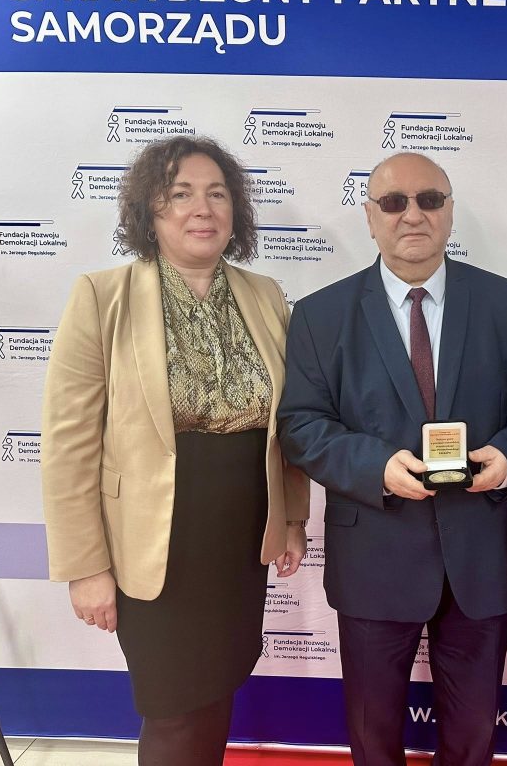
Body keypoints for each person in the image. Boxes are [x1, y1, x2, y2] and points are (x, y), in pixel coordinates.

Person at [277, 151, 507, 766]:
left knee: (473, 734)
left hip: (480, 554)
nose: (413, 215)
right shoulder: (321, 315)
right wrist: (375, 467)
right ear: (369, 216)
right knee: (373, 734)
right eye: (393, 202)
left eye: (430, 200)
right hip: (373, 558)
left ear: (450, 211)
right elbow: (301, 425)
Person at [41, 136, 310, 766]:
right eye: (180, 193)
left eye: (217, 193)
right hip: (152, 547)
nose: (202, 208)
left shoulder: (265, 295)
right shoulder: (102, 296)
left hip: (239, 543)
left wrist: (293, 519)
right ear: (150, 210)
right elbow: (69, 445)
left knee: (216, 691)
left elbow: (289, 423)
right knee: (171, 708)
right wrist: (86, 566)